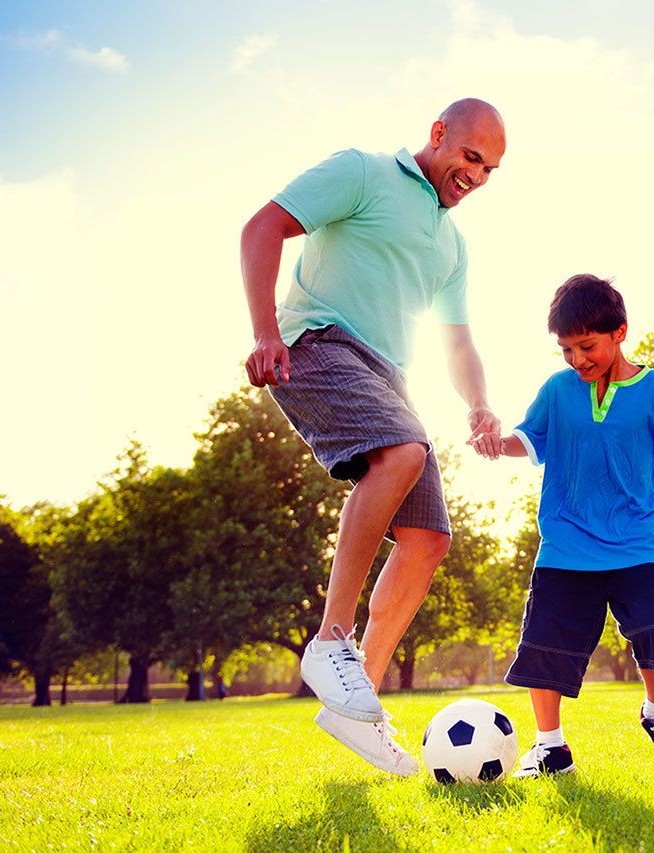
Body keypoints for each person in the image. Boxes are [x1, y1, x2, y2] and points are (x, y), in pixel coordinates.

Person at [241, 98, 507, 776]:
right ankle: (331, 641)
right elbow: (262, 226)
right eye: (471, 156)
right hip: (317, 342)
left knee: (429, 538)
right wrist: (266, 332)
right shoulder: (363, 172)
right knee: (403, 451)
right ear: (438, 134)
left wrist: (479, 403)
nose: (477, 175)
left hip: (389, 373)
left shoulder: (452, 245)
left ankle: (356, 706)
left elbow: (457, 341)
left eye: (490, 169)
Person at [470, 274, 654, 776]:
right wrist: (495, 444)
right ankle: (551, 747)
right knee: (545, 646)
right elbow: (530, 439)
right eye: (566, 349)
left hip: (638, 542)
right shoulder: (558, 390)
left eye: (586, 346)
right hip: (566, 544)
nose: (577, 359)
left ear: (620, 333)